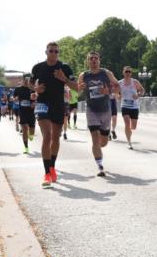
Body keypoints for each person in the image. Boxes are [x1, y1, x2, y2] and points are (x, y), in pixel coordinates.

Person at [31, 41, 77, 186]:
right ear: (46, 52)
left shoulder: (64, 67)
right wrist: (35, 89)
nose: (53, 53)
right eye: (51, 51)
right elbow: (31, 83)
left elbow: (76, 87)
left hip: (58, 105)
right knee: (47, 136)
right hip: (42, 104)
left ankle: (52, 167)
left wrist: (64, 79)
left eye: (56, 51)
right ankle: (46, 174)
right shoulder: (38, 67)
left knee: (56, 138)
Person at [78, 52, 118, 176]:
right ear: (88, 61)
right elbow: (77, 91)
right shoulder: (83, 75)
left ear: (99, 60)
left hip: (105, 110)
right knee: (95, 139)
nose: (93, 60)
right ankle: (100, 166)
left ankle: (101, 144)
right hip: (91, 110)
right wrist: (80, 88)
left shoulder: (106, 73)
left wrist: (108, 91)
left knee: (103, 143)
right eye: (91, 59)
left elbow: (118, 87)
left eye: (96, 58)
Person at [118, 66, 145, 149]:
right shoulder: (120, 83)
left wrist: (138, 95)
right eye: (126, 71)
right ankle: (129, 142)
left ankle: (129, 131)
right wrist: (118, 96)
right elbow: (115, 92)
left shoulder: (135, 82)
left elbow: (142, 90)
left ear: (131, 73)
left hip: (134, 107)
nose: (128, 73)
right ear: (123, 73)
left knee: (133, 126)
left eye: (129, 72)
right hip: (125, 106)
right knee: (127, 124)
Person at [12, 74, 36, 153]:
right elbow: (13, 98)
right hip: (22, 111)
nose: (26, 81)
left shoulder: (33, 89)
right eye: (25, 80)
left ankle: (31, 135)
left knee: (31, 132)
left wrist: (35, 102)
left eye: (28, 80)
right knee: (24, 129)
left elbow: (39, 98)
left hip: (31, 112)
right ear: (22, 80)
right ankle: (26, 147)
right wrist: (15, 99)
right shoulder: (18, 89)